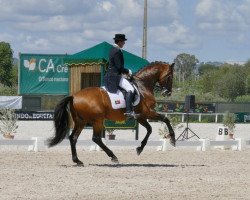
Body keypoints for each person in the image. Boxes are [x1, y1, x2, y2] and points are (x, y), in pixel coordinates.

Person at [104, 34, 136, 118]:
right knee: (130, 89)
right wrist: (127, 71)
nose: (124, 43)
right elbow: (119, 67)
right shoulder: (116, 51)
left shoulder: (113, 49)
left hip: (111, 75)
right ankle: (129, 111)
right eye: (123, 41)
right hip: (115, 76)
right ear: (119, 41)